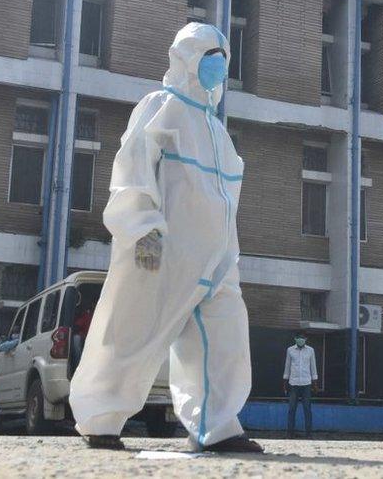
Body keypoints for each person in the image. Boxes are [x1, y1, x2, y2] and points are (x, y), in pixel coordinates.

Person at [69, 23, 262, 453]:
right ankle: (101, 418)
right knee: (135, 330)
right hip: (164, 251)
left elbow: (223, 202)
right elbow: (134, 170)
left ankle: (217, 426)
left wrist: (228, 255)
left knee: (224, 337)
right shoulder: (163, 106)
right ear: (186, 57)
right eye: (211, 54)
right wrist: (144, 234)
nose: (219, 65)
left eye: (225, 58)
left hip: (216, 260)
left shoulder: (217, 130)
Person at [283, 333, 318, 438]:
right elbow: (287, 366)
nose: (300, 340)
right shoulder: (290, 350)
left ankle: (308, 434)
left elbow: (313, 366)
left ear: (306, 339)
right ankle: (290, 433)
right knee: (291, 409)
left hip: (306, 383)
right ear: (295, 339)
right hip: (293, 383)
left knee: (307, 409)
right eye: (299, 338)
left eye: (302, 338)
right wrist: (285, 382)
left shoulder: (310, 350)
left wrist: (315, 383)